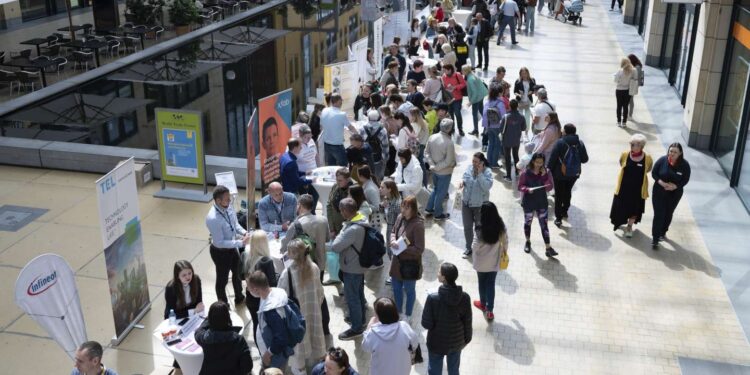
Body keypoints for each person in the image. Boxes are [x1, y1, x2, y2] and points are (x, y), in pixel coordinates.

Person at [278, 239, 327, 374]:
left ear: (292, 254)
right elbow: (320, 294)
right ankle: (316, 364)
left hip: (297, 317)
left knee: (300, 343)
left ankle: (301, 369)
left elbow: (281, 298)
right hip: (314, 312)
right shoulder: (315, 268)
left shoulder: (287, 273)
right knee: (314, 335)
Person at [329, 198, 370, 340]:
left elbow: (335, 246)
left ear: (346, 211)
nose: (340, 213)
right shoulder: (361, 219)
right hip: (358, 266)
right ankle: (361, 320)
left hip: (352, 268)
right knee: (358, 295)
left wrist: (342, 229)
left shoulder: (351, 229)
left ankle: (357, 328)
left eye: (341, 210)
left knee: (352, 298)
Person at [421, 262, 472, 375]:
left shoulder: (432, 298)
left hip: (436, 342)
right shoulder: (465, 297)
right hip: (457, 341)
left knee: (434, 370)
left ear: (444, 277)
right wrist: (467, 339)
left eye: (439, 272)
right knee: (454, 370)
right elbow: (467, 321)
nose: (437, 273)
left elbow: (426, 324)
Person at [206, 185, 249, 305]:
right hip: (220, 252)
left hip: (232, 248)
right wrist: (241, 242)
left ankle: (239, 297)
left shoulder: (228, 207)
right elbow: (220, 242)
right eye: (227, 199)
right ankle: (223, 304)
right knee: (222, 280)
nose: (230, 201)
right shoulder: (213, 218)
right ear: (218, 200)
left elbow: (235, 225)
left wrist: (244, 232)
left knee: (237, 273)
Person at [247, 271, 296, 371]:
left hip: (274, 359)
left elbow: (281, 338)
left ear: (256, 289)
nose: (248, 290)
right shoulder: (270, 294)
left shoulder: (272, 311)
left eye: (249, 288)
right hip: (272, 355)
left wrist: (267, 354)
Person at [389, 196, 425, 322]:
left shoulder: (418, 225)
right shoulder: (400, 218)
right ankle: (398, 312)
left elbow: (419, 249)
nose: (403, 210)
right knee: (396, 289)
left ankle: (408, 315)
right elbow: (393, 231)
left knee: (409, 290)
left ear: (413, 209)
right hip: (396, 263)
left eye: (407, 207)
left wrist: (404, 248)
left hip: (410, 265)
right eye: (402, 206)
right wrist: (393, 240)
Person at [362, 297, 420, 375]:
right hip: (402, 370)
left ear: (379, 315)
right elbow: (415, 343)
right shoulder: (404, 326)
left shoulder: (373, 333)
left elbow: (365, 347)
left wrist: (369, 327)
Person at [610, 134, 653, 238]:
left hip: (638, 190)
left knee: (634, 210)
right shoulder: (625, 154)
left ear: (641, 146)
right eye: (631, 143)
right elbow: (621, 164)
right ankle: (620, 222)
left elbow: (648, 169)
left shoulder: (647, 158)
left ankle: (629, 226)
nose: (632, 146)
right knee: (621, 207)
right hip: (623, 188)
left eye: (634, 144)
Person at [194, 301, 253, 375]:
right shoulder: (238, 340)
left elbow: (198, 331)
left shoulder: (205, 338)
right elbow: (247, 366)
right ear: (228, 317)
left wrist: (209, 319)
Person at [547, 124, 589, 227]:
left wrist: (548, 170)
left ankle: (558, 218)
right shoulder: (580, 143)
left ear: (565, 131)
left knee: (559, 195)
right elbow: (585, 159)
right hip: (573, 174)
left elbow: (552, 159)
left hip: (559, 174)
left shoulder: (560, 143)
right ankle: (565, 210)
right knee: (567, 191)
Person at [651, 143, 691, 249]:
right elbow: (654, 173)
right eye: (671, 151)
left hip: (674, 194)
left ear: (680, 153)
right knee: (659, 214)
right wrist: (661, 183)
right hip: (659, 191)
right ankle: (655, 239)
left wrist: (676, 186)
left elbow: (685, 179)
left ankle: (662, 232)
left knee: (668, 213)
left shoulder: (685, 165)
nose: (672, 154)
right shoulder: (662, 160)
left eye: (675, 152)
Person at [471, 202, 507, 321]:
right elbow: (506, 241)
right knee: (491, 284)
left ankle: (482, 303)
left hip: (481, 263)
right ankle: (490, 310)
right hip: (494, 262)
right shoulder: (500, 226)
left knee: (482, 283)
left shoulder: (479, 228)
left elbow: (474, 246)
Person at [282, 194, 330, 278]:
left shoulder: (296, 224)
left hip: (303, 266)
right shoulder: (323, 220)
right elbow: (327, 239)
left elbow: (284, 247)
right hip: (320, 264)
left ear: (299, 205)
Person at [519, 153, 556, 257]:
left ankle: (548, 248)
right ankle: (528, 241)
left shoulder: (547, 171)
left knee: (544, 226)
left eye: (541, 162)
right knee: (528, 223)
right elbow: (520, 186)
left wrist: (544, 176)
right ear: (533, 161)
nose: (539, 164)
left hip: (541, 203)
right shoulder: (526, 172)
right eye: (537, 162)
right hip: (529, 203)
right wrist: (526, 189)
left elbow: (549, 188)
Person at [243, 230, 277, 338]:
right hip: (264, 300)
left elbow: (239, 275)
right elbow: (273, 283)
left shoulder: (245, 255)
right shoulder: (267, 261)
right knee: (267, 326)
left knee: (256, 325)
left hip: (250, 298)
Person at [460, 152, 493, 257]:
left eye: (476, 162)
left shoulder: (487, 172)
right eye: (473, 161)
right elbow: (465, 177)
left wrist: (479, 174)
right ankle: (468, 248)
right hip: (466, 203)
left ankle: (479, 248)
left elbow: (486, 187)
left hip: (480, 206)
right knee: (467, 227)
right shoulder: (469, 168)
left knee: (479, 228)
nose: (474, 163)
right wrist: (462, 182)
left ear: (482, 162)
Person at [425, 119, 457, 220]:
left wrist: (432, 165)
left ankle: (429, 208)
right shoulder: (449, 143)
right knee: (441, 193)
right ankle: (438, 214)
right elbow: (448, 162)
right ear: (450, 129)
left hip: (434, 171)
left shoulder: (432, 137)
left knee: (435, 189)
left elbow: (426, 153)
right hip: (445, 172)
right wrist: (436, 167)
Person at [321, 94, 358, 166]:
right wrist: (358, 134)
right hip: (337, 146)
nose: (342, 102)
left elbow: (322, 126)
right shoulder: (341, 114)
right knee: (343, 166)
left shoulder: (324, 110)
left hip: (326, 145)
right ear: (338, 101)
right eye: (341, 101)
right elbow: (350, 127)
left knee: (331, 167)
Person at [280, 138, 318, 205]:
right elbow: (297, 182)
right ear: (295, 148)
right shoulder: (291, 162)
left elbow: (292, 173)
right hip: (291, 193)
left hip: (286, 189)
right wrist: (311, 180)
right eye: (300, 146)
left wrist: (304, 173)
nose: (301, 148)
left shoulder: (284, 156)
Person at [501, 99, 527, 181]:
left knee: (507, 157)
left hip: (506, 140)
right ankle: (517, 172)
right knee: (516, 156)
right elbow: (524, 128)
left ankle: (508, 176)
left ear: (509, 106)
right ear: (517, 106)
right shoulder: (521, 116)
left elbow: (501, 129)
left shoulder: (505, 117)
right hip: (516, 140)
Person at [361, 110, 389, 181]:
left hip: (365, 158)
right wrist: (385, 159)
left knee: (365, 178)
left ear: (368, 117)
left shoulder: (362, 128)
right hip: (378, 158)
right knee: (377, 178)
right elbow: (385, 146)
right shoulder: (383, 130)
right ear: (378, 118)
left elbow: (360, 144)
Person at [484, 83, 507, 168]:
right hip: (497, 127)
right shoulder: (500, 103)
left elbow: (484, 114)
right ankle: (494, 163)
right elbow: (504, 116)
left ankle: (489, 162)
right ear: (499, 93)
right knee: (497, 145)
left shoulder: (488, 102)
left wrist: (486, 126)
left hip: (489, 126)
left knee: (491, 144)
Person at [441, 64, 466, 136]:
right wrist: (447, 89)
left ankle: (460, 129)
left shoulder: (457, 75)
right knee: (451, 114)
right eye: (444, 70)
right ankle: (452, 129)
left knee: (457, 113)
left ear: (450, 70)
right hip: (449, 99)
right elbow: (444, 87)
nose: (444, 72)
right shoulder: (443, 77)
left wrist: (455, 87)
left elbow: (463, 84)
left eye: (445, 70)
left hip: (457, 98)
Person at [327, 168, 353, 236]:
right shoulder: (335, 187)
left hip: (347, 229)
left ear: (347, 180)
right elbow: (329, 205)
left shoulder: (353, 190)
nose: (337, 182)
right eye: (336, 180)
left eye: (340, 180)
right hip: (335, 228)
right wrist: (331, 228)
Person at [464, 65, 489, 137]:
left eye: (463, 71)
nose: (462, 72)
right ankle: (486, 127)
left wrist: (470, 102)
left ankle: (476, 130)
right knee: (482, 111)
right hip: (481, 96)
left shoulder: (470, 79)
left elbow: (474, 92)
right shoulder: (473, 75)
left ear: (466, 71)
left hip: (476, 98)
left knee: (474, 114)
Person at [380, 179, 403, 256]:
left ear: (389, 189)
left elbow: (401, 221)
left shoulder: (397, 204)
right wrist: (382, 206)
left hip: (395, 231)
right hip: (389, 228)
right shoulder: (387, 198)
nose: (380, 189)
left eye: (382, 187)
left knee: (394, 253)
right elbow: (384, 214)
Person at [614, 57, 635, 127]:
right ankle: (624, 122)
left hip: (619, 90)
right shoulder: (631, 72)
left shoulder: (620, 71)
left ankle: (619, 122)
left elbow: (615, 80)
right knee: (625, 106)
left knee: (619, 106)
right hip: (627, 91)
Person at [262, 117, 282, 182]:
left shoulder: (285, 163)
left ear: (278, 138)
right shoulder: (263, 172)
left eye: (274, 135)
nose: (272, 141)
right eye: (268, 138)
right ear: (263, 144)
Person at [628, 54, 643, 119]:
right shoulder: (636, 66)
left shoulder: (637, 67)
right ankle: (629, 114)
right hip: (633, 84)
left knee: (630, 100)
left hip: (633, 85)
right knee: (630, 99)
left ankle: (630, 115)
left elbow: (635, 77)